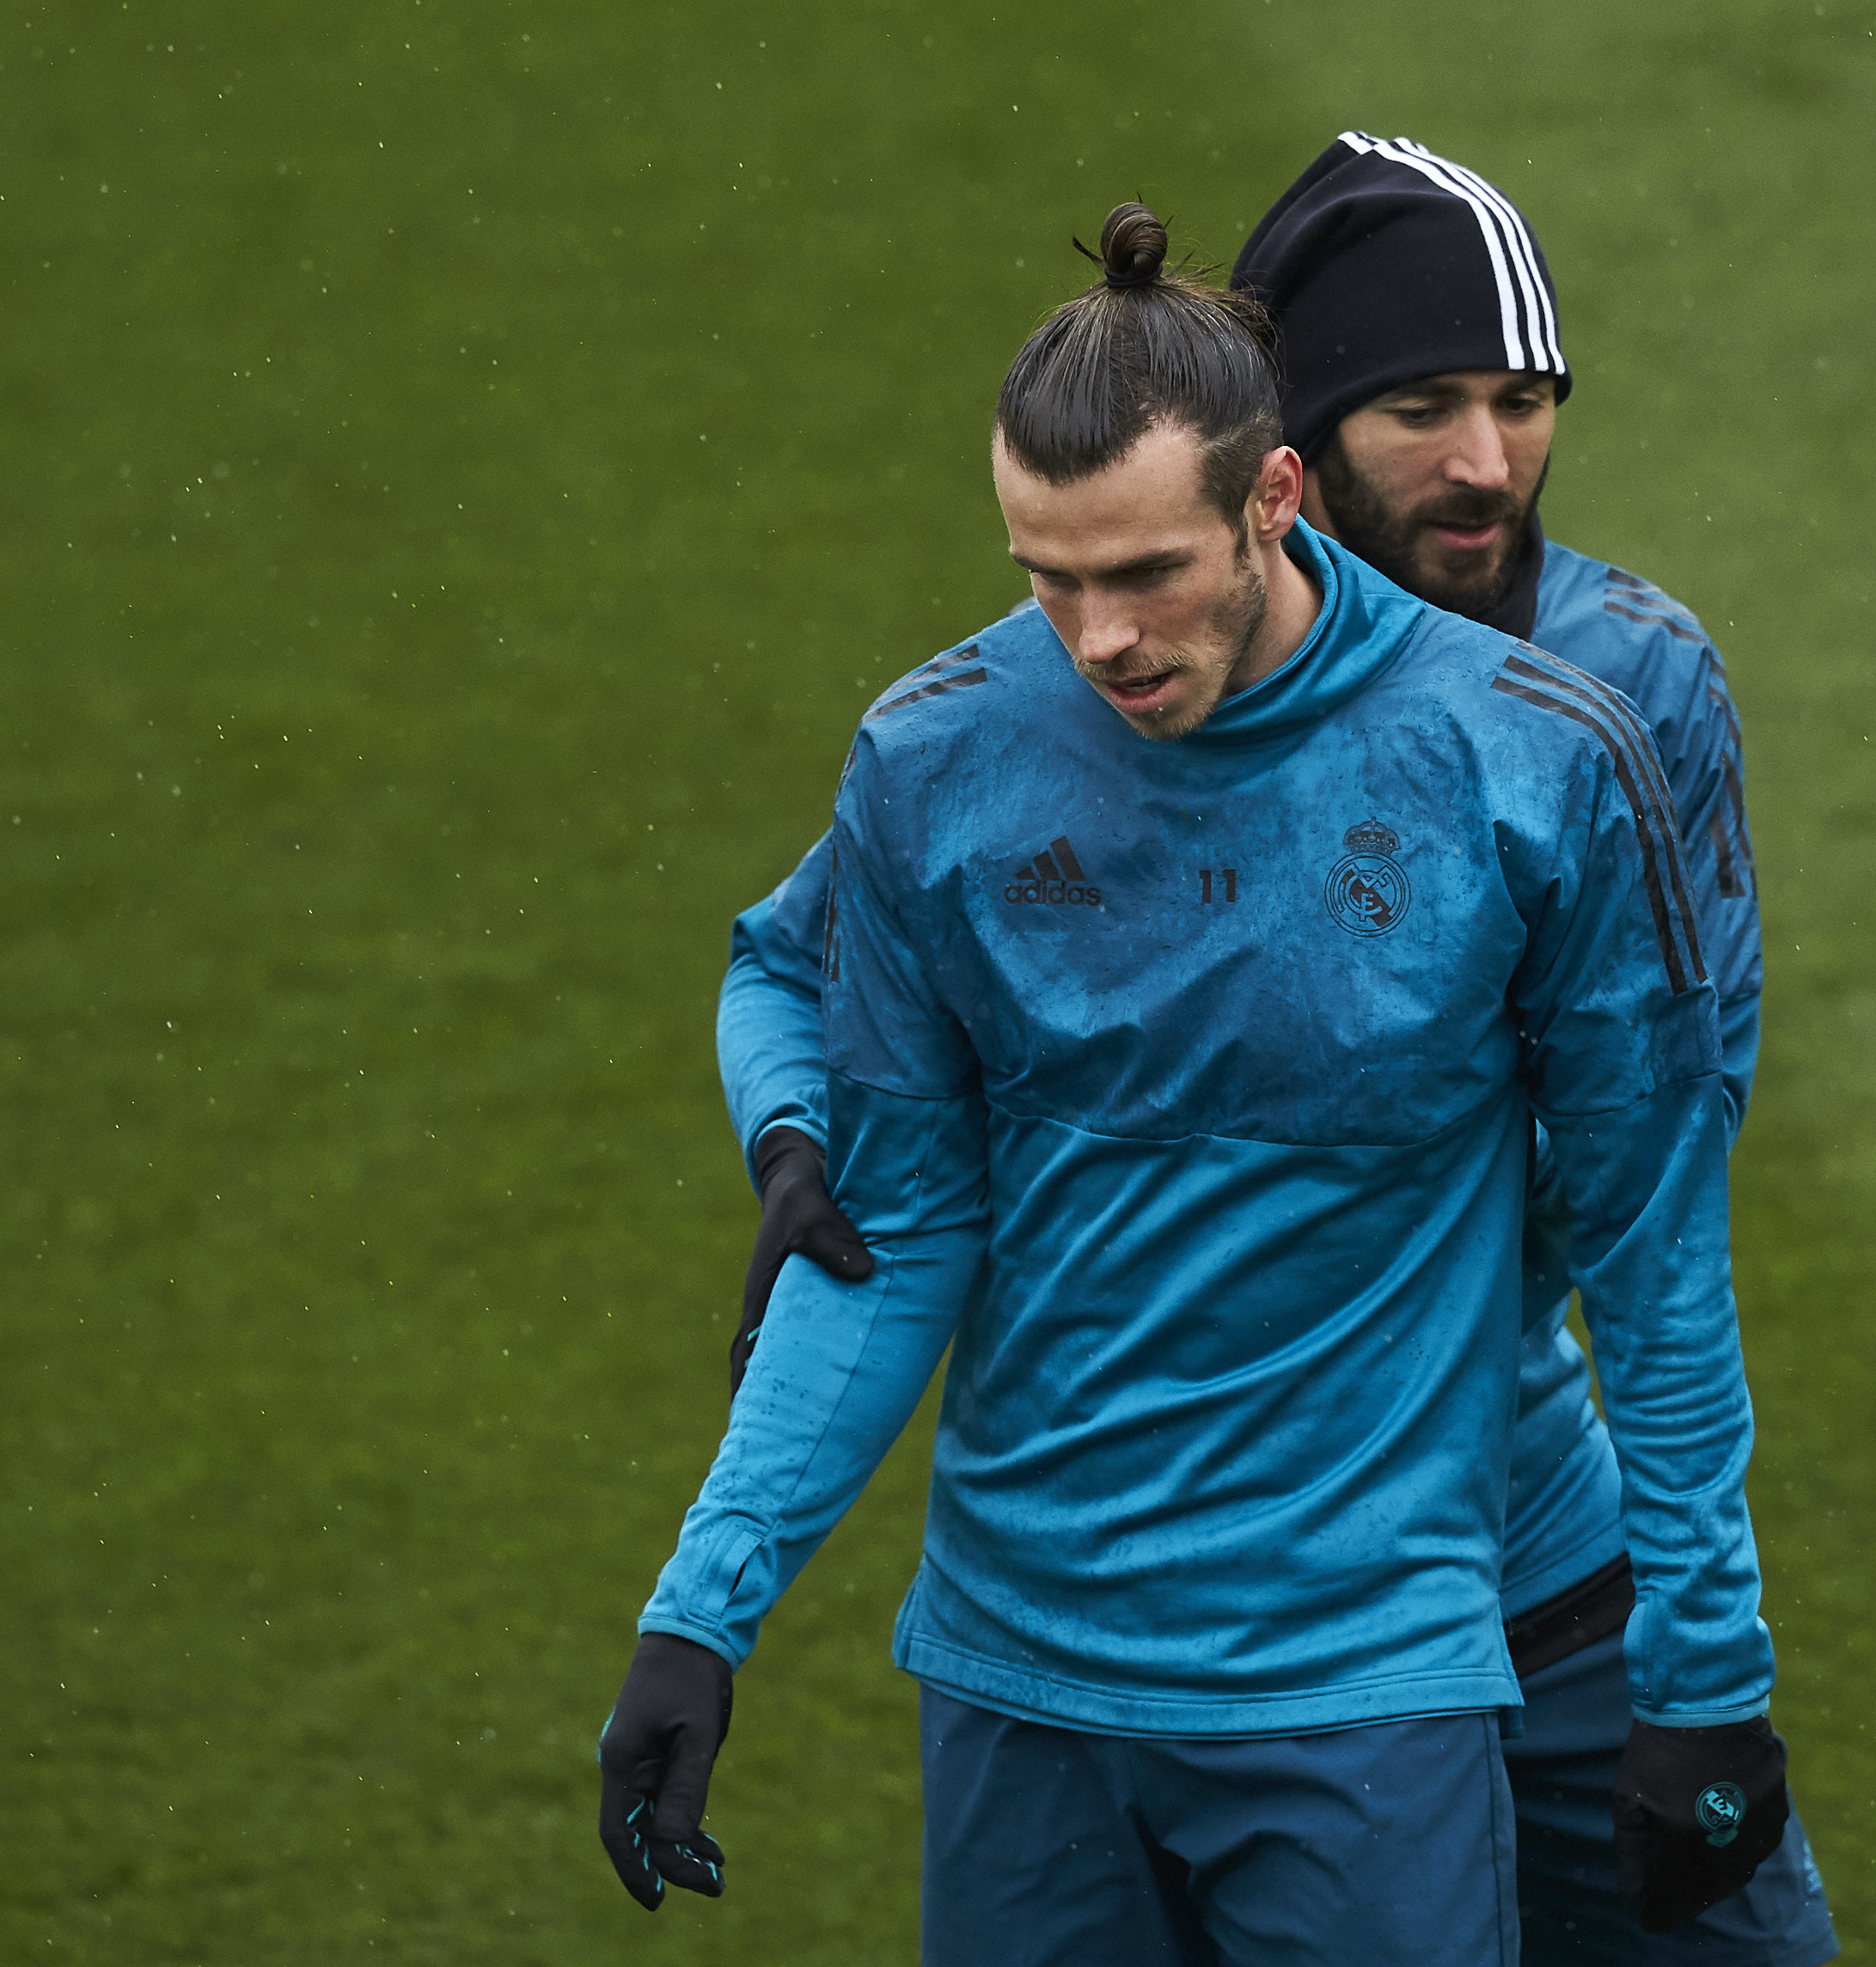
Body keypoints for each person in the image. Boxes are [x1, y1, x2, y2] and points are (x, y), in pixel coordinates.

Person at [599, 203, 1788, 1965]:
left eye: (1145, 572)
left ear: (1275, 500)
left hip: (1358, 1687)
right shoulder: (936, 755)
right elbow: (897, 1232)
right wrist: (697, 1616)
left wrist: (1706, 1679)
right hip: (1016, 1690)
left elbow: (1656, 1260)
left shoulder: (1529, 756)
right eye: (1047, 575)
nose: (1098, 638)